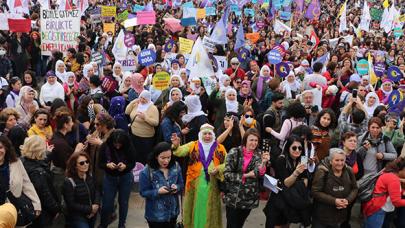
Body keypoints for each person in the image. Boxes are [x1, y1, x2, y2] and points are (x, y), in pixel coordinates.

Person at [171, 123, 227, 228]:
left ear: (213, 135)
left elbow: (227, 164)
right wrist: (176, 145)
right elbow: (179, 152)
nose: (207, 136)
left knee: (210, 208)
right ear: (200, 134)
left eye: (209, 134)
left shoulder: (220, 148)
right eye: (204, 134)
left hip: (213, 184)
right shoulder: (193, 145)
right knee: (196, 207)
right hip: (194, 183)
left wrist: (218, 168)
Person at [224, 129, 270, 228]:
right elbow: (227, 174)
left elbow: (258, 173)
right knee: (232, 225)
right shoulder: (234, 152)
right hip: (233, 197)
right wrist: (246, 175)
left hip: (249, 198)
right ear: (245, 140)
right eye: (251, 140)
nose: (254, 143)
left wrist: (263, 162)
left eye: (256, 140)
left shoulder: (259, 154)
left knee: (239, 224)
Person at [263, 135, 311, 227]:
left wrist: (297, 182)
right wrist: (296, 173)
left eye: (300, 148)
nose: (297, 150)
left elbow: (305, 181)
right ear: (288, 147)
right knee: (277, 224)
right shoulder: (281, 160)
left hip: (293, 200)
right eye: (294, 147)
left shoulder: (303, 159)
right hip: (279, 200)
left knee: (286, 224)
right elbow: (286, 183)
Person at [139, 142, 184, 228]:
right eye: (162, 158)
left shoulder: (176, 166)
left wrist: (177, 188)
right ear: (156, 156)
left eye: (169, 157)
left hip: (173, 213)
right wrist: (157, 192)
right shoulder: (147, 171)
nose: (166, 161)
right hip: (156, 216)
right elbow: (143, 192)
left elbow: (181, 184)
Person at [311, 148, 358, 228]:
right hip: (322, 216)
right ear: (331, 161)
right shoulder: (322, 171)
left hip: (339, 216)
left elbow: (355, 188)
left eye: (342, 160)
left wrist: (348, 200)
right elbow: (315, 192)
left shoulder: (349, 170)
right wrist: (334, 201)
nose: (340, 163)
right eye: (337, 160)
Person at [99, 129, 136, 228]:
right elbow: (100, 163)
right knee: (107, 204)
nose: (117, 146)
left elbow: (133, 163)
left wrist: (125, 166)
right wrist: (107, 165)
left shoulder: (129, 147)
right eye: (115, 144)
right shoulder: (105, 146)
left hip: (125, 177)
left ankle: (121, 224)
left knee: (123, 202)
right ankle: (103, 224)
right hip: (110, 178)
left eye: (120, 144)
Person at [21, 135, 60, 227]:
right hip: (42, 213)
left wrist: (48, 153)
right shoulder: (38, 172)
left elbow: (37, 161)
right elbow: (45, 194)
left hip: (28, 209)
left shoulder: (21, 161)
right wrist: (56, 209)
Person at [0, 136, 41, 221]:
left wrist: (36, 203)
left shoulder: (16, 163)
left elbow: (26, 183)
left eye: (0, 147)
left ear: (6, 148)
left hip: (16, 210)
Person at [362, 158, 405, 228]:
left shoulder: (389, 173)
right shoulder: (393, 179)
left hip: (373, 205)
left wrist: (402, 192)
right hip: (378, 209)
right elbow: (397, 202)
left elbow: (390, 189)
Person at [63, 151, 100, 228]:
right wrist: (90, 209)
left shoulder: (90, 175)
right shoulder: (69, 181)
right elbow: (71, 204)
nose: (86, 164)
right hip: (78, 216)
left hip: (93, 213)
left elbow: (97, 190)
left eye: (87, 161)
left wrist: (96, 205)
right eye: (82, 163)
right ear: (75, 166)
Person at [126, 90, 159, 164]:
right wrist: (132, 102)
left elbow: (156, 123)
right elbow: (127, 112)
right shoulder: (137, 104)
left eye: (144, 99)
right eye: (141, 97)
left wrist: (145, 118)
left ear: (148, 99)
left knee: (144, 157)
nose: (142, 100)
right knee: (135, 155)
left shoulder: (153, 108)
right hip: (134, 135)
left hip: (146, 138)